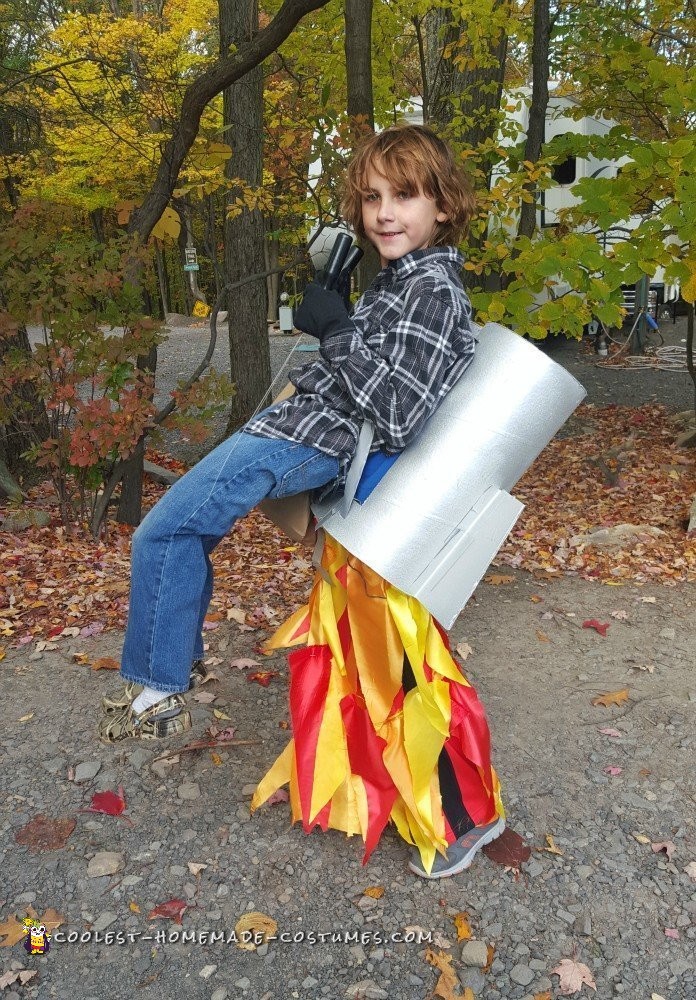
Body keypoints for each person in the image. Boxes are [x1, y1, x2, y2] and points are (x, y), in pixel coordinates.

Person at [100, 124, 504, 876]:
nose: (384, 213)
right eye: (373, 198)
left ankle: (158, 688)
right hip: (326, 462)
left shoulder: (434, 291)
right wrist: (349, 312)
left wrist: (339, 331)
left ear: (444, 206)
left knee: (168, 531)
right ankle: (456, 816)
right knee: (385, 658)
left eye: (406, 196)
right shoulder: (402, 280)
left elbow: (400, 411)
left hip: (314, 445)